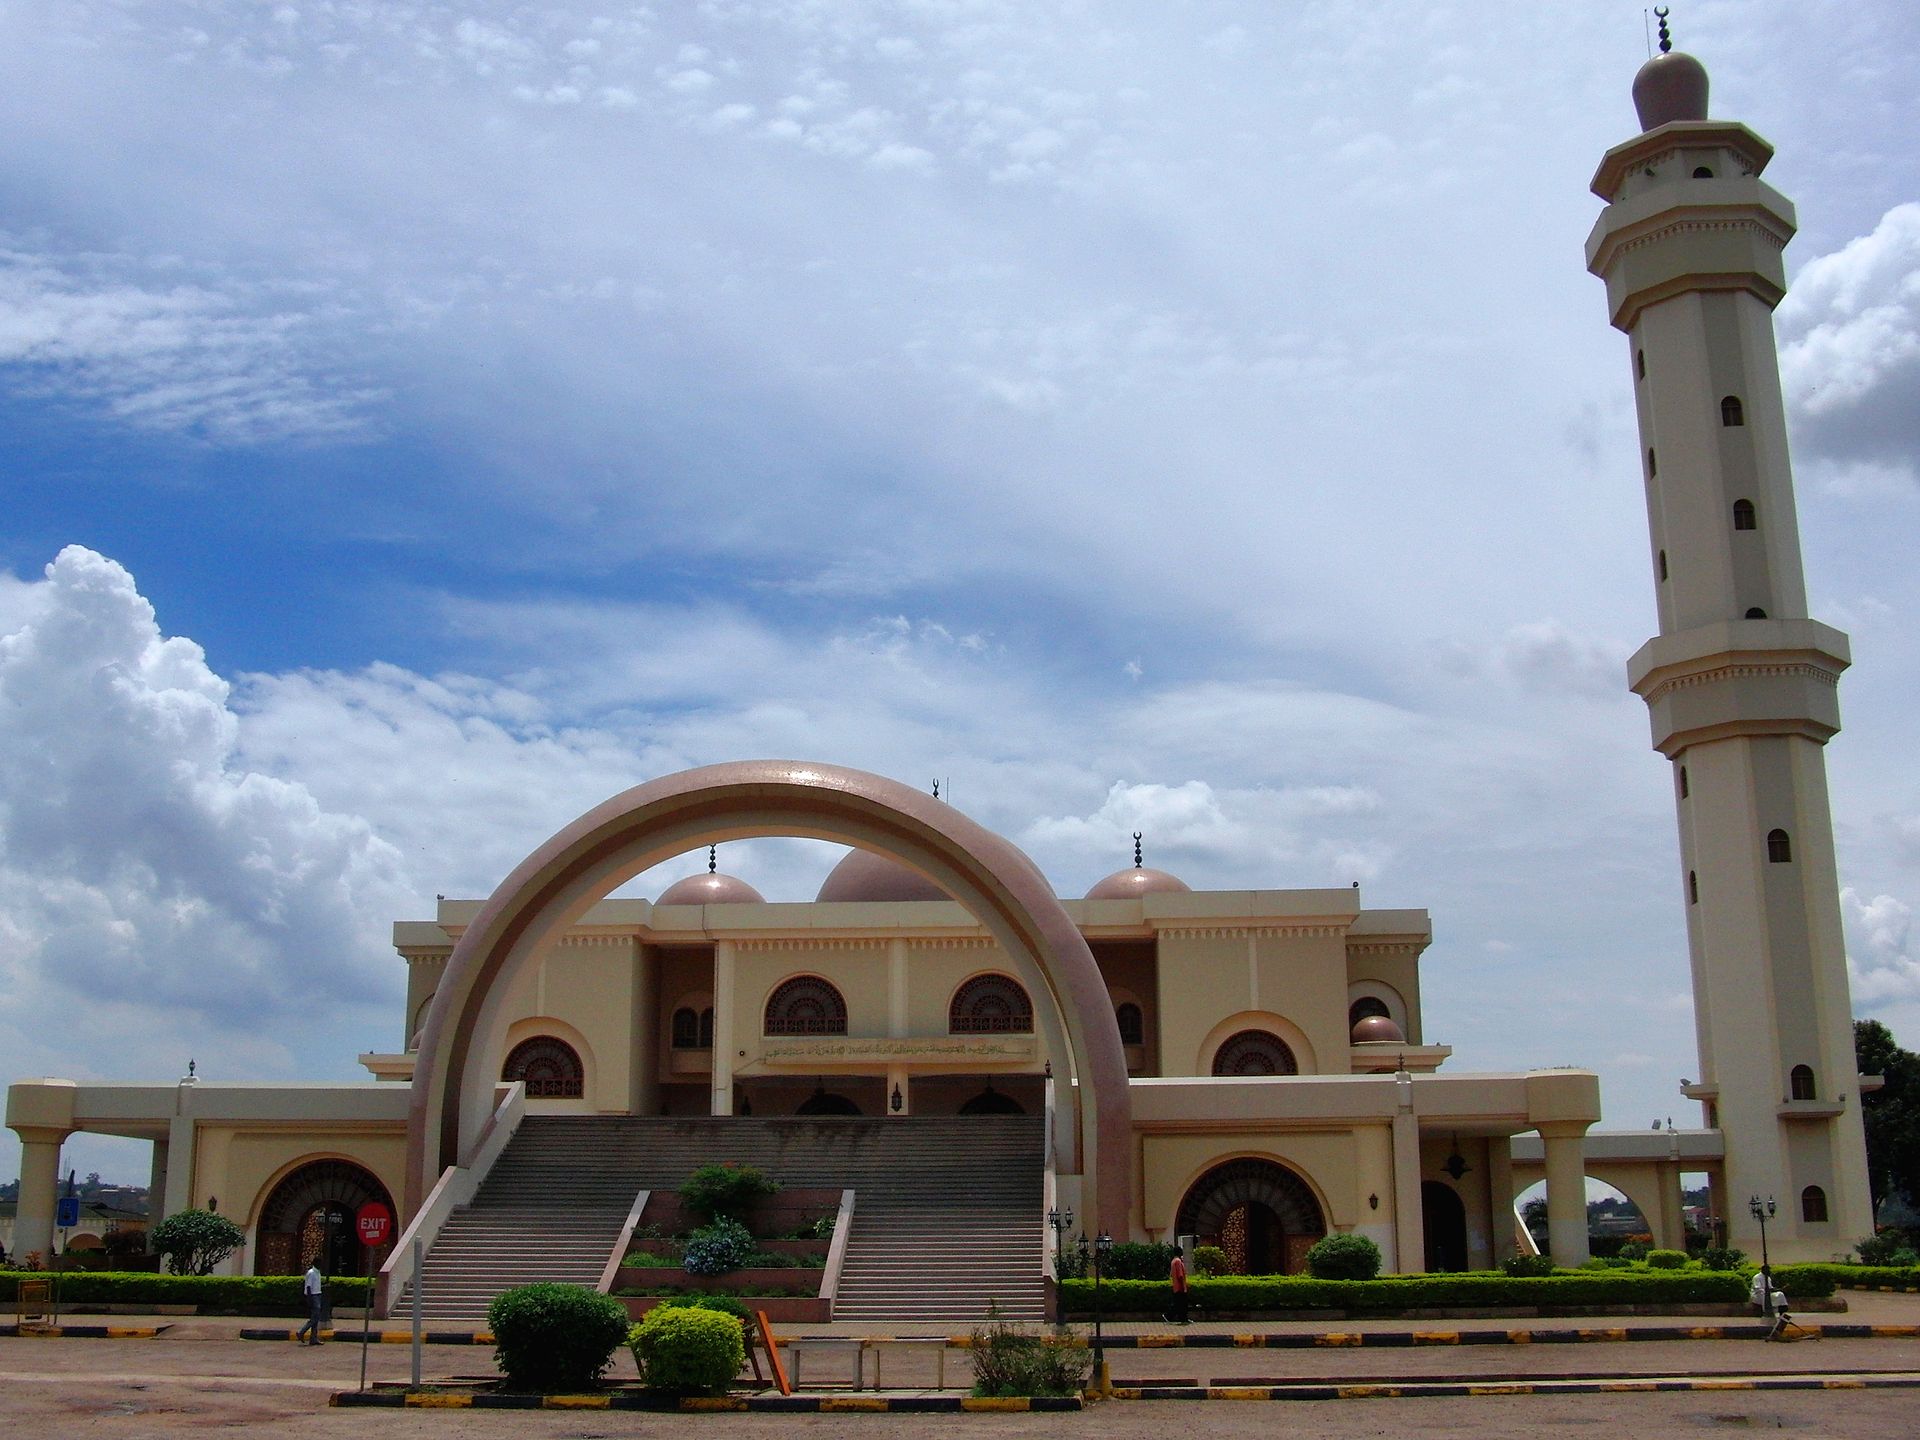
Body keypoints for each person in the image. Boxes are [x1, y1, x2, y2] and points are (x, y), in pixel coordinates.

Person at [296, 1258, 326, 1346]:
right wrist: (309, 1299)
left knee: (315, 1318)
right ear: (316, 1263)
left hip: (317, 1295)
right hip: (313, 1296)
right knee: (315, 1318)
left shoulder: (318, 1272)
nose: (322, 1265)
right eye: (320, 1263)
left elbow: (315, 1285)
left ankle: (313, 1338)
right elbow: (308, 1287)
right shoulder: (311, 1273)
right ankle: (301, 1332)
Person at [1167, 1249, 1190, 1325]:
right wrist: (1184, 1286)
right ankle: (1169, 1316)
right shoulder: (1178, 1261)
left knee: (1178, 1303)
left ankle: (1182, 1318)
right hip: (1180, 1286)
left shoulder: (1173, 1261)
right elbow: (1180, 1275)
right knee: (1182, 1304)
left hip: (1175, 1286)